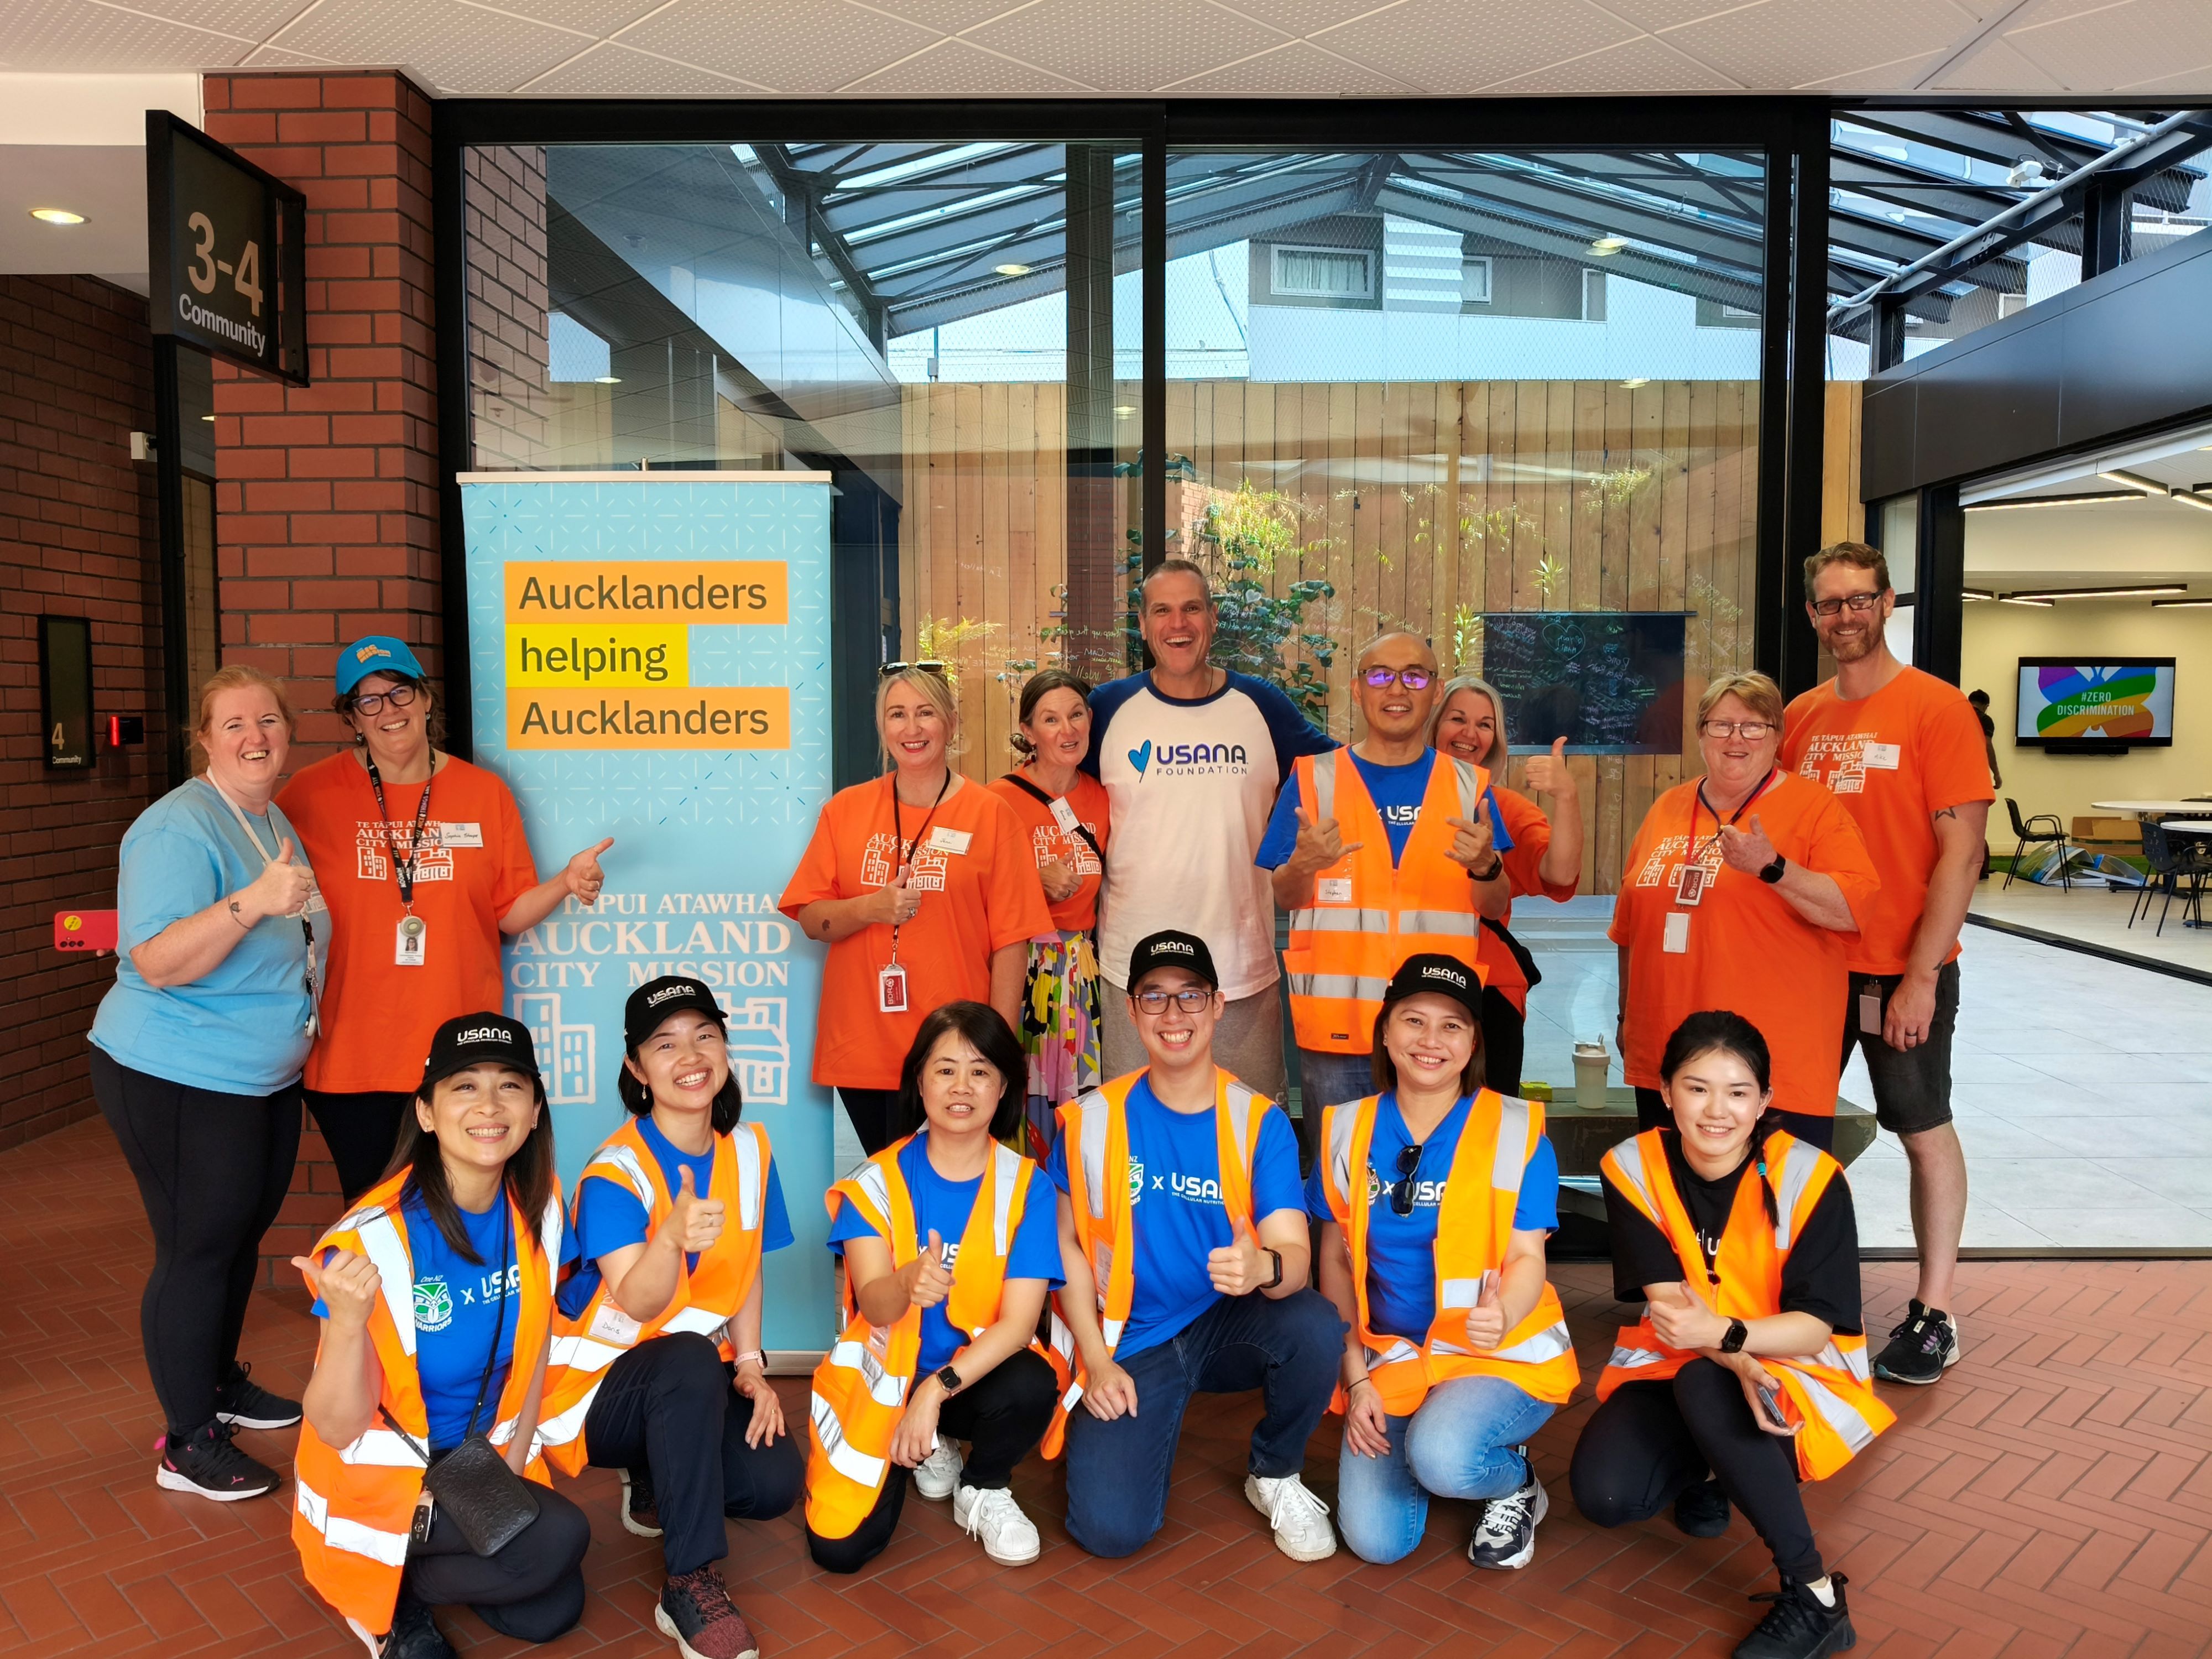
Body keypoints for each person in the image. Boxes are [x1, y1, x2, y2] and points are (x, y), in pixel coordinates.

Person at [1572, 1011, 1892, 1659]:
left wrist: (1737, 1347)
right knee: (1606, 1496)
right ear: (1665, 1092)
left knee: (1704, 1378)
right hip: (1685, 1360)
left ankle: (1814, 1594)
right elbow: (1668, 1308)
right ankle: (1711, 1469)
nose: (1716, 1110)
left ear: (1764, 1102)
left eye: (1738, 1092)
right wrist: (1735, 1360)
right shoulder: (1632, 1164)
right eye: (1696, 1088)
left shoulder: (1811, 1177)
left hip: (1795, 1372)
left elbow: (1814, 1326)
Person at [89, 664, 322, 1501]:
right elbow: (153, 959)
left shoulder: (266, 817)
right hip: (177, 1071)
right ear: (204, 739)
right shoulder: (176, 830)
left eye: (267, 720)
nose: (255, 736)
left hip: (258, 1076)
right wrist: (251, 904)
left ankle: (218, 1385)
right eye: (234, 725)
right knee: (196, 1248)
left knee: (234, 1236)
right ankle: (187, 1442)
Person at [292, 1014, 587, 1659]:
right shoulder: (372, 1241)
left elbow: (534, 1357)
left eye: (511, 1087)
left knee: (552, 1610)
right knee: (560, 1536)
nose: (489, 1106)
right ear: (426, 1113)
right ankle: (386, 1595)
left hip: (475, 1465)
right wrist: (345, 1322)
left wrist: (506, 1484)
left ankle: (422, 1575)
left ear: (535, 1111)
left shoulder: (538, 1207)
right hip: (387, 1483)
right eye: (464, 1088)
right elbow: (337, 1427)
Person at [281, 635, 612, 1201]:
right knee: (373, 1213)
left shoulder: (483, 793)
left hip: (459, 1051)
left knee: (463, 1207)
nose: (389, 711)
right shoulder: (308, 796)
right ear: (351, 719)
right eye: (368, 701)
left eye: (399, 692)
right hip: (352, 1052)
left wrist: (563, 884)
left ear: (426, 699)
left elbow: (509, 913)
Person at [1047, 929, 1344, 1562]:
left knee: (1315, 1325)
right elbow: (1066, 1248)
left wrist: (1263, 1266)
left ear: (1217, 1006)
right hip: (1130, 1340)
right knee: (1110, 1532)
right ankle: (1120, 1424)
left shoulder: (1258, 1120)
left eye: (1190, 997)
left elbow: (1296, 1256)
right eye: (1154, 998)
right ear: (1130, 1010)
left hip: (1227, 1323)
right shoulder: (1089, 1120)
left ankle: (1275, 1472)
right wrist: (1096, 1361)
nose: (1173, 1015)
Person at [538, 978, 800, 1659]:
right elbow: (642, 1304)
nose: (690, 1054)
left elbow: (747, 1273)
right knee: (683, 1355)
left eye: (704, 1035)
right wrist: (669, 1240)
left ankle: (659, 1471)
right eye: (666, 1043)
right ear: (636, 1067)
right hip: (595, 1391)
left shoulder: (748, 1151)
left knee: (770, 1484)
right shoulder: (615, 1174)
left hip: (689, 1381)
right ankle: (688, 1584)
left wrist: (749, 1366)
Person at [1783, 545, 1992, 1386]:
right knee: (1792, 1138)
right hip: (1810, 969)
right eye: (1829, 605)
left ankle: (1935, 1312)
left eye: (1858, 601)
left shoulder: (1936, 711)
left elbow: (1963, 854)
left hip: (1899, 969)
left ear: (1888, 603)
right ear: (1812, 616)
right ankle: (1804, 1299)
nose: (1845, 617)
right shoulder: (1799, 717)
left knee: (1920, 1128)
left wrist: (1921, 974)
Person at [1311, 954, 1579, 1570]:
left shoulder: (1514, 1131)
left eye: (1452, 1025)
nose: (1430, 1041)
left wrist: (1503, 1312)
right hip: (1396, 1356)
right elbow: (1333, 1260)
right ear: (1384, 1031)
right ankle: (1435, 1444)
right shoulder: (1346, 1131)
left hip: (1494, 1352)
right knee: (1378, 1543)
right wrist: (1355, 1380)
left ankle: (1510, 1482)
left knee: (1445, 1457)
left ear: (1473, 1041)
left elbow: (1526, 1257)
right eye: (1413, 1020)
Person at [807, 1001, 1065, 1573]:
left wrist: (934, 1392)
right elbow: (873, 1304)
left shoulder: (1028, 1185)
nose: (962, 1086)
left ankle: (983, 1486)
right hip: (884, 1384)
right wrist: (903, 1282)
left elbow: (1019, 1324)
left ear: (1004, 1089)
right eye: (945, 1069)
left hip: (968, 1381)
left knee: (1031, 1382)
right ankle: (930, 1447)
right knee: (840, 1552)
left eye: (980, 1071)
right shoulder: (873, 1181)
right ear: (918, 1081)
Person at [1083, 559, 1336, 1102]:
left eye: (1191, 608)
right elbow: (1046, 791)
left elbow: (1349, 774)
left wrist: (1455, 764)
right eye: (1163, 610)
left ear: (1212, 619)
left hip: (1240, 970)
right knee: (1135, 1144)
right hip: (1133, 975)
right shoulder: (1106, 710)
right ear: (1144, 623)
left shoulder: (1260, 706)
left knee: (1246, 1147)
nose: (1179, 623)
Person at [1258, 631, 1508, 1162]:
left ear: (1435, 691)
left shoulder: (1469, 786)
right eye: (1380, 675)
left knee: (1435, 1184)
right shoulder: (1312, 780)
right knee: (1337, 1182)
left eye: (1415, 675)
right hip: (1339, 1029)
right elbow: (1284, 892)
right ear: (1357, 688)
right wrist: (1303, 864)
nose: (1398, 688)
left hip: (1435, 1031)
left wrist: (1487, 867)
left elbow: (1494, 905)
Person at [782, 666, 1053, 1154]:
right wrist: (871, 907)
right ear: (883, 728)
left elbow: (1013, 940)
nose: (912, 729)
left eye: (926, 713)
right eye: (897, 715)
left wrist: (996, 1051)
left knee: (949, 1187)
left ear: (950, 723)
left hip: (955, 1052)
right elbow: (810, 918)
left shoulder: (991, 815)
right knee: (887, 1184)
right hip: (863, 1043)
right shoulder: (845, 810)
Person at [1611, 671, 1880, 1150]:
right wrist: (1625, 1017)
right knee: (1673, 1209)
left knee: (1767, 1215)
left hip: (1769, 1067)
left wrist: (1774, 868)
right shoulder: (1667, 808)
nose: (1736, 738)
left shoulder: (1813, 808)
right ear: (1700, 734)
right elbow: (1630, 929)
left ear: (1777, 738)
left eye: (1754, 726)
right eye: (1720, 725)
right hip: (1670, 1059)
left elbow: (1853, 910)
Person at [1429, 676, 1583, 1094]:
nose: (1469, 733)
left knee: (1486, 1135)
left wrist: (1565, 796)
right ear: (1433, 725)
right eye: (1457, 719)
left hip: (1488, 990)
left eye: (1485, 724)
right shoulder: (1385, 800)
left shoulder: (1502, 807)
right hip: (1405, 988)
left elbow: (1560, 874)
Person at [989, 669, 1112, 1159]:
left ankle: (1071, 1211)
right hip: (1020, 965)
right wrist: (1032, 877)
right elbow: (973, 887)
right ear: (1027, 731)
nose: (1067, 730)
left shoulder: (1102, 798)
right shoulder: (998, 800)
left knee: (1078, 1105)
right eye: (1051, 719)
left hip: (1082, 970)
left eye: (1076, 715)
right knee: (1015, 1093)